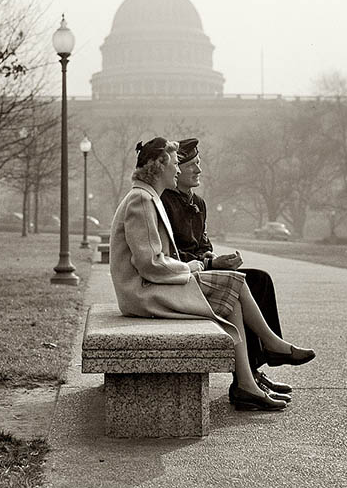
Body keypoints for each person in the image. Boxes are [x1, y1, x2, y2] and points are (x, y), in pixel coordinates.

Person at [109, 137, 315, 412]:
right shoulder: (142, 200)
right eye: (175, 164)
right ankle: (266, 351)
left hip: (150, 286)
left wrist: (199, 264)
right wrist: (193, 267)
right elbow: (150, 265)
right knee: (235, 283)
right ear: (159, 166)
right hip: (143, 293)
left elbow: (158, 261)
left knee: (234, 288)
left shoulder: (147, 197)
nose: (179, 171)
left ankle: (247, 383)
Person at [160, 138, 296, 403]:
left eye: (199, 163)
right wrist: (211, 263)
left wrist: (215, 256)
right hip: (186, 277)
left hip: (203, 269)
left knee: (260, 280)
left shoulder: (198, 202)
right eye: (192, 165)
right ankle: (255, 370)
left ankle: (251, 374)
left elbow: (203, 243)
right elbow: (171, 254)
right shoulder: (165, 202)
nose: (199, 170)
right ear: (177, 171)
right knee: (242, 284)